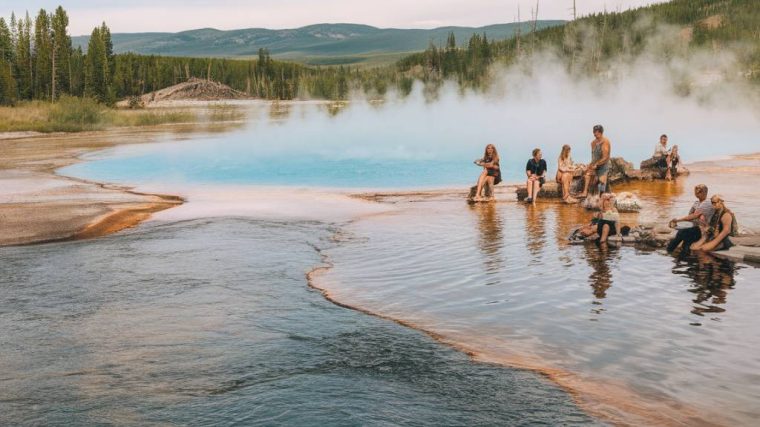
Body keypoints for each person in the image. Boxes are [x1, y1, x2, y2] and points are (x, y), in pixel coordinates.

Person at [667, 184, 714, 255]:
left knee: (682, 233)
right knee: (686, 240)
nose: (696, 193)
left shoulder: (707, 203)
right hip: (694, 228)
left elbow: (693, 216)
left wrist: (677, 220)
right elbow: (690, 215)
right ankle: (682, 256)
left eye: (699, 191)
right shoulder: (697, 203)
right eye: (696, 191)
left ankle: (669, 251)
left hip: (702, 230)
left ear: (704, 192)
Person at [579, 124, 611, 198]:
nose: (595, 134)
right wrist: (590, 165)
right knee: (587, 175)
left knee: (602, 182)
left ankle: (601, 197)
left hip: (603, 166)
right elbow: (593, 157)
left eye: (596, 132)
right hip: (594, 165)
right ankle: (585, 192)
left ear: (600, 132)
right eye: (594, 132)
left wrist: (597, 164)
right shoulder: (593, 143)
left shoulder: (605, 141)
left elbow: (605, 157)